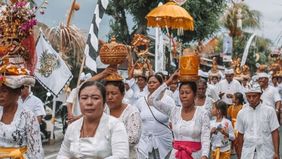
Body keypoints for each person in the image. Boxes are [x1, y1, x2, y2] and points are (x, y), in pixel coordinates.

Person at [57, 81, 129, 158]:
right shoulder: (72, 127)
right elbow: (63, 155)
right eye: (84, 98)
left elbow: (121, 156)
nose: (89, 102)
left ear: (104, 103)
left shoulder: (115, 126)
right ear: (79, 102)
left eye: (95, 98)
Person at [148, 71, 210, 159]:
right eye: (181, 93)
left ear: (195, 95)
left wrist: (204, 156)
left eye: (187, 93)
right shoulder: (174, 111)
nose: (184, 96)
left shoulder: (202, 113)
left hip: (195, 155)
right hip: (176, 155)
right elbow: (151, 99)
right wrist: (168, 82)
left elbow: (205, 138)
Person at [0, 64, 44, 158]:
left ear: (17, 92)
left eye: (4, 91)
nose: (0, 95)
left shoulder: (28, 116)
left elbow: (36, 152)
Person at [236, 85, 280, 159]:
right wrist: (240, 155)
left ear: (260, 95)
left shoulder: (269, 111)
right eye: (248, 96)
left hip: (266, 151)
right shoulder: (241, 113)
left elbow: (275, 132)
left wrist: (276, 152)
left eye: (254, 96)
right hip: (248, 152)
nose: (251, 99)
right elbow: (240, 135)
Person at [135, 74, 174, 159]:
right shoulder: (140, 101)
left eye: (154, 82)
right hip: (145, 140)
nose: (151, 84)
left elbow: (174, 119)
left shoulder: (168, 100)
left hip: (164, 140)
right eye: (149, 83)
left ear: (161, 85)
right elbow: (136, 121)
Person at [104, 80, 142, 158]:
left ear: (123, 94)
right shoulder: (103, 110)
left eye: (113, 93)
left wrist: (106, 141)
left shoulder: (131, 112)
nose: (109, 97)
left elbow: (133, 139)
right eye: (107, 94)